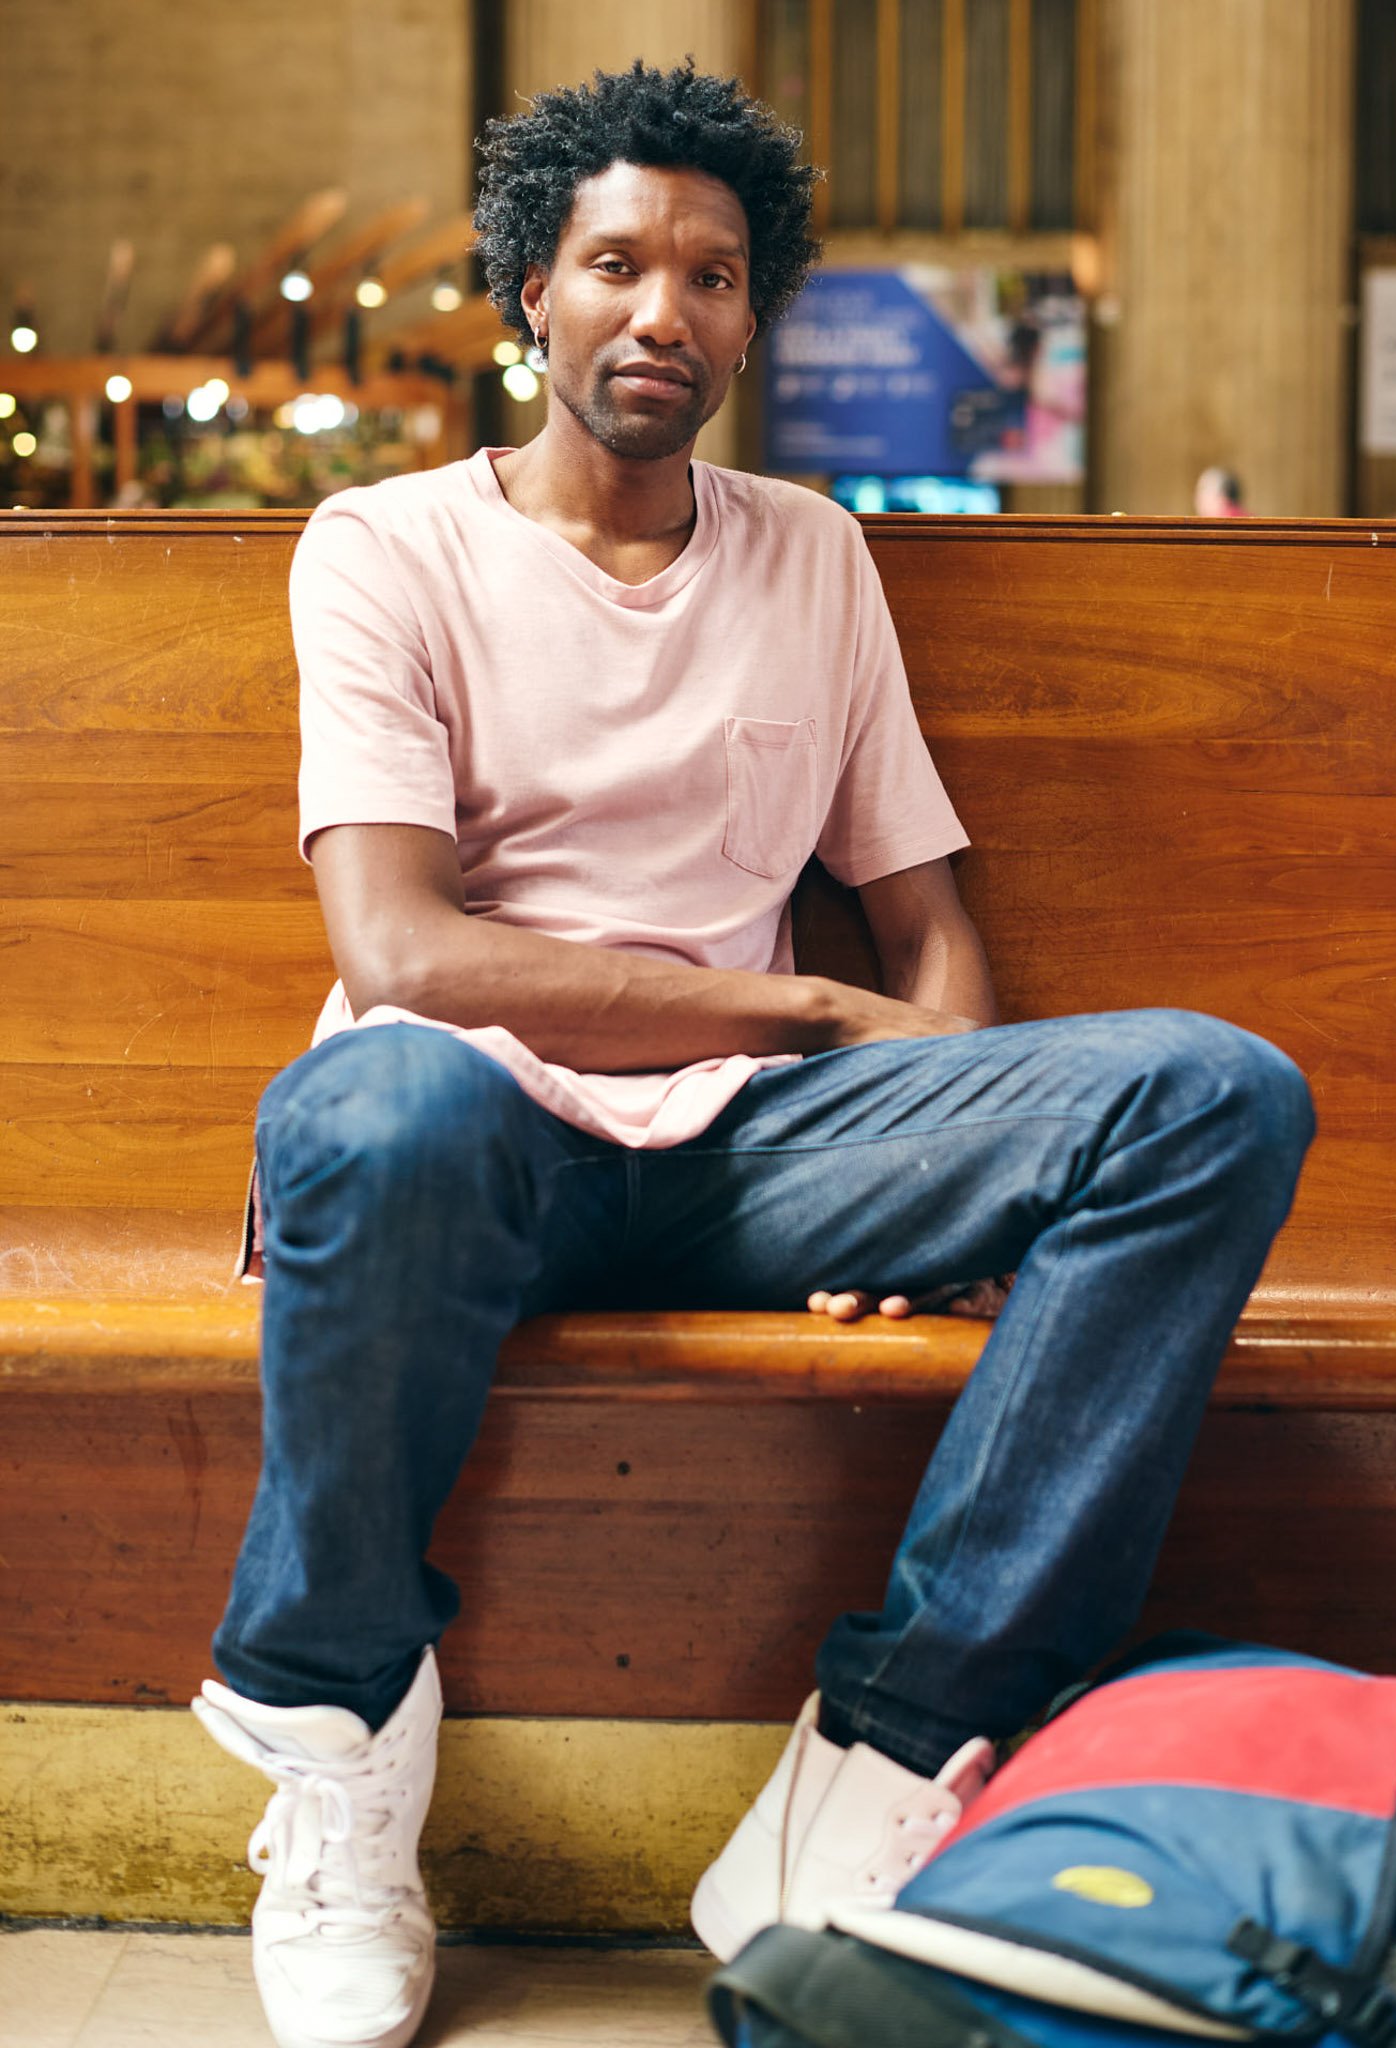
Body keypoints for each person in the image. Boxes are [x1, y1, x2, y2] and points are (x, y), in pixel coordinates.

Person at [190, 60, 1316, 2048]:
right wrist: (798, 1009)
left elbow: (931, 928)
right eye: (616, 262)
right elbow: (400, 948)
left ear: (751, 315)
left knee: (1214, 1092)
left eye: (713, 275)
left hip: (746, 1153)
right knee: (365, 1100)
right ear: (531, 289)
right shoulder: (386, 548)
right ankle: (346, 1738)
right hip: (473, 1149)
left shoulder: (814, 554)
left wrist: (952, 1149)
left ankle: (893, 1745)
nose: (664, 312)